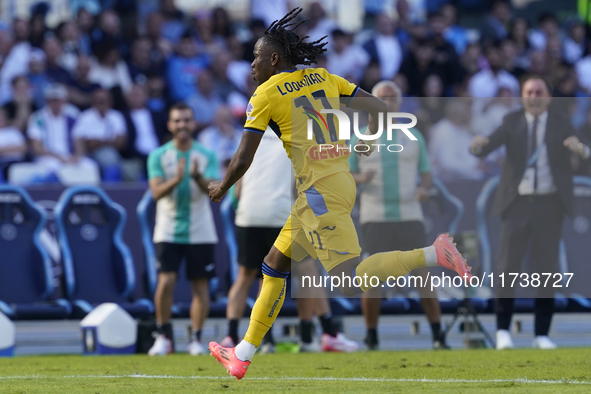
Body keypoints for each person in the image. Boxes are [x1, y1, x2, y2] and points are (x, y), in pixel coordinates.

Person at [207, 8, 471, 380]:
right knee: (275, 264)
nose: (251, 65)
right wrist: (364, 143)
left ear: (274, 58)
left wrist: (222, 187)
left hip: (319, 192)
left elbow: (242, 157)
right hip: (334, 183)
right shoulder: (324, 77)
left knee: (350, 276)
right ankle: (242, 354)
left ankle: (434, 253)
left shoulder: (264, 94)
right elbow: (380, 109)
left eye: (255, 57)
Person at [470, 76, 591, 350]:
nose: (533, 97)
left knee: (545, 271)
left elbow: (584, 150)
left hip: (550, 205)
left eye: (538, 92)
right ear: (521, 96)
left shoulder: (561, 122)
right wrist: (476, 146)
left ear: (548, 96)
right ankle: (503, 331)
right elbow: (486, 146)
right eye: (528, 92)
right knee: (507, 269)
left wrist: (581, 150)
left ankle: (541, 334)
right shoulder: (512, 120)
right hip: (517, 204)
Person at [220, 129, 358, 353]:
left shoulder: (250, 133)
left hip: (249, 214)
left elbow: (239, 186)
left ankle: (236, 336)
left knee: (249, 276)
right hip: (281, 214)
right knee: (307, 273)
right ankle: (325, 333)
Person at [349, 80, 448, 351]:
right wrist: (359, 177)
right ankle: (371, 337)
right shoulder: (361, 136)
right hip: (375, 217)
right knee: (373, 279)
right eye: (382, 98)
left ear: (399, 103)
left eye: (392, 98)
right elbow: (344, 173)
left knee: (422, 276)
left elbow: (427, 175)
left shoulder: (413, 136)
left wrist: (424, 189)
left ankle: (438, 336)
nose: (388, 103)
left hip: (409, 215)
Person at [146, 102, 220, 356]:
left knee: (200, 286)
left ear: (193, 123)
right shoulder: (158, 156)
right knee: (165, 282)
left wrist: (197, 177)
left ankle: (195, 339)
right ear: (169, 125)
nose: (182, 125)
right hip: (167, 229)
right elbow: (155, 192)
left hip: (200, 229)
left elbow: (215, 191)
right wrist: (177, 179)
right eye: (177, 121)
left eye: (186, 120)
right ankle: (163, 336)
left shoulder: (206, 155)